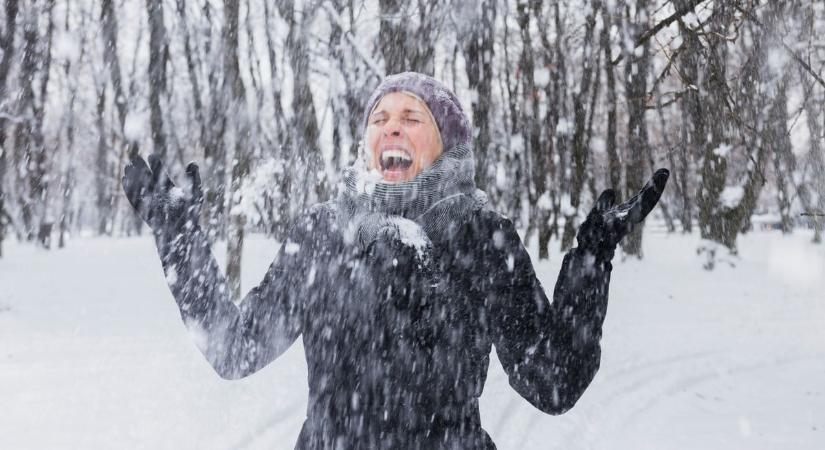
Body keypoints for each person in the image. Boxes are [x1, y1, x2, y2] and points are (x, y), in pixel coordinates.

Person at [122, 72, 669, 449]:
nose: (391, 126)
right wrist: (179, 237)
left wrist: (593, 256)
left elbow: (553, 382)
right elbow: (233, 348)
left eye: (412, 116)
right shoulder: (323, 234)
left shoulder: (481, 238)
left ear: (445, 142)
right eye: (379, 117)